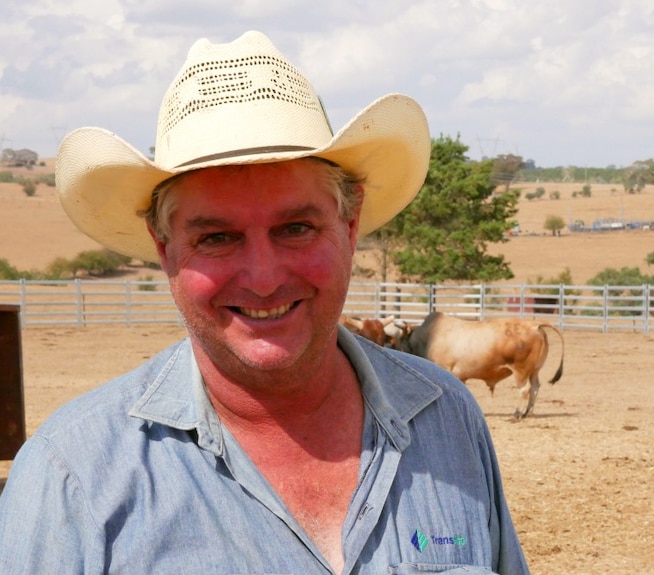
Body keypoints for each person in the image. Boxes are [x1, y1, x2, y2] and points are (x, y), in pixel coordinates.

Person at [0, 31, 529, 574]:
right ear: (165, 249)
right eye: (216, 237)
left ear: (349, 224)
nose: (263, 278)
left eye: (296, 227)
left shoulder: (447, 421)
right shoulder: (73, 479)